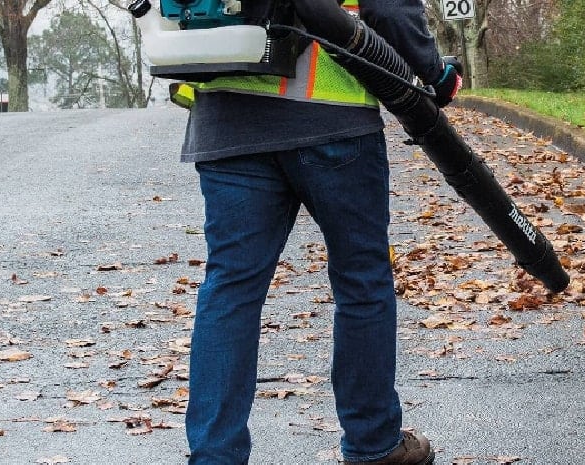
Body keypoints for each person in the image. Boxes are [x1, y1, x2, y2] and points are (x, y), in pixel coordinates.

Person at [177, 0, 462, 463]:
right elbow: (389, 10)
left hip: (226, 122)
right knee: (361, 283)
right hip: (331, 121)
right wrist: (436, 73)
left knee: (230, 290)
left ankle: (214, 456)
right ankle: (373, 444)